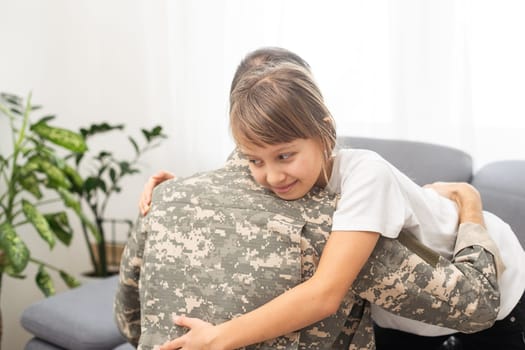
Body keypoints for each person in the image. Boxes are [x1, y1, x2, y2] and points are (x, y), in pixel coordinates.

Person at [130, 47, 525, 350]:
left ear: (325, 132)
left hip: (494, 285)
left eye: (285, 156)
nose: (272, 176)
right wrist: (185, 190)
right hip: (402, 317)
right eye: (255, 160)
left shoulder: (367, 175)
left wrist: (218, 339)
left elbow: (324, 295)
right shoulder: (281, 177)